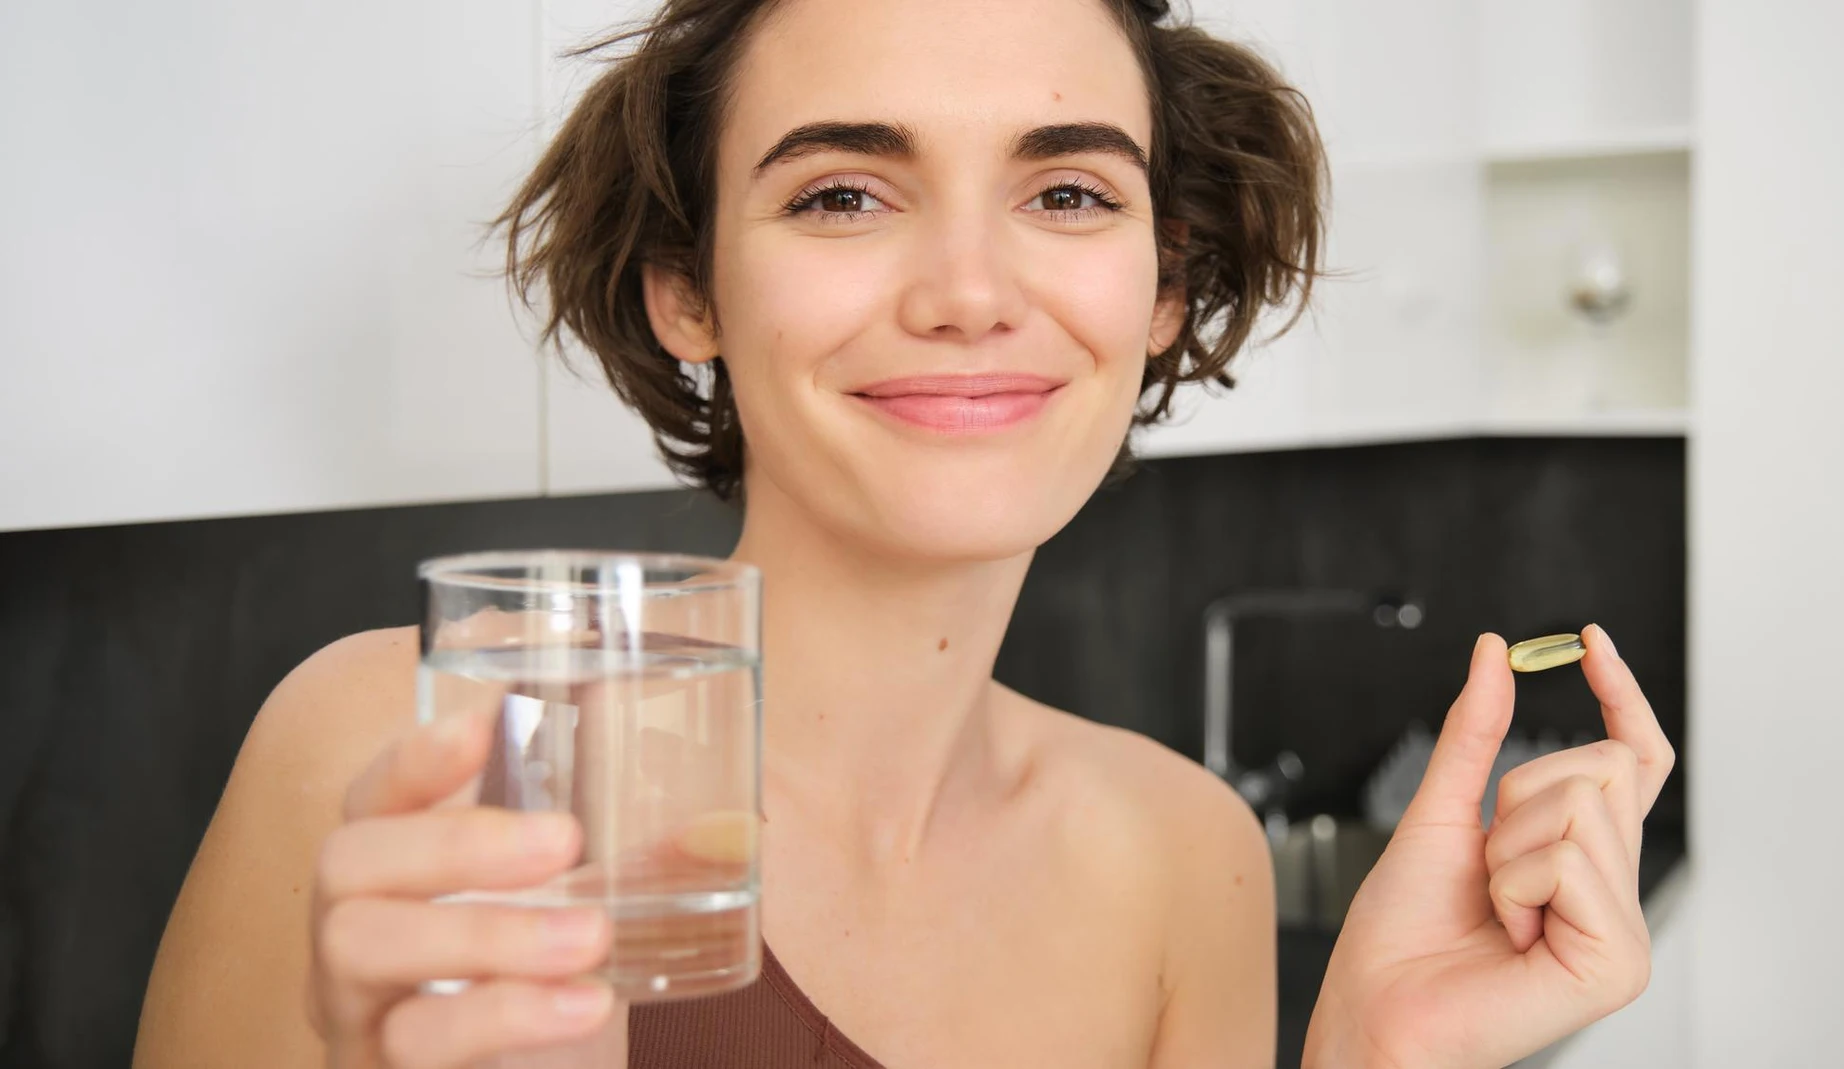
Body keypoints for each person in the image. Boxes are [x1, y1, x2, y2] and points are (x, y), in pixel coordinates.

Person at [132, 0, 1675, 1064]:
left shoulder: (1180, 859)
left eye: (1068, 193)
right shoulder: (412, 756)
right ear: (690, 289)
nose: (967, 291)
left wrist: (1370, 1059)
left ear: (1163, 293)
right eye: (844, 197)